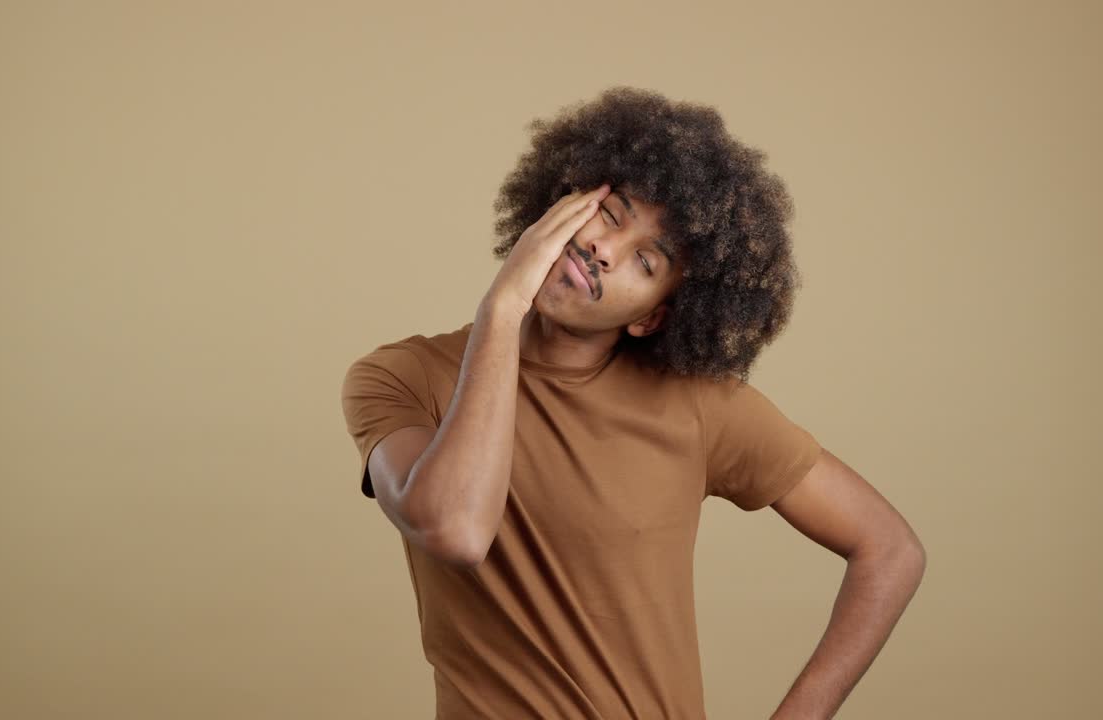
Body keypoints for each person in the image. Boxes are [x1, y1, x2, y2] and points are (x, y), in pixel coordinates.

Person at [342, 86, 926, 720]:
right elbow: (454, 530)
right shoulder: (403, 377)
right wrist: (502, 311)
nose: (603, 250)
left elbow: (889, 549)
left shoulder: (700, 406)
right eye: (611, 215)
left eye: (645, 263)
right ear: (563, 200)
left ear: (653, 318)